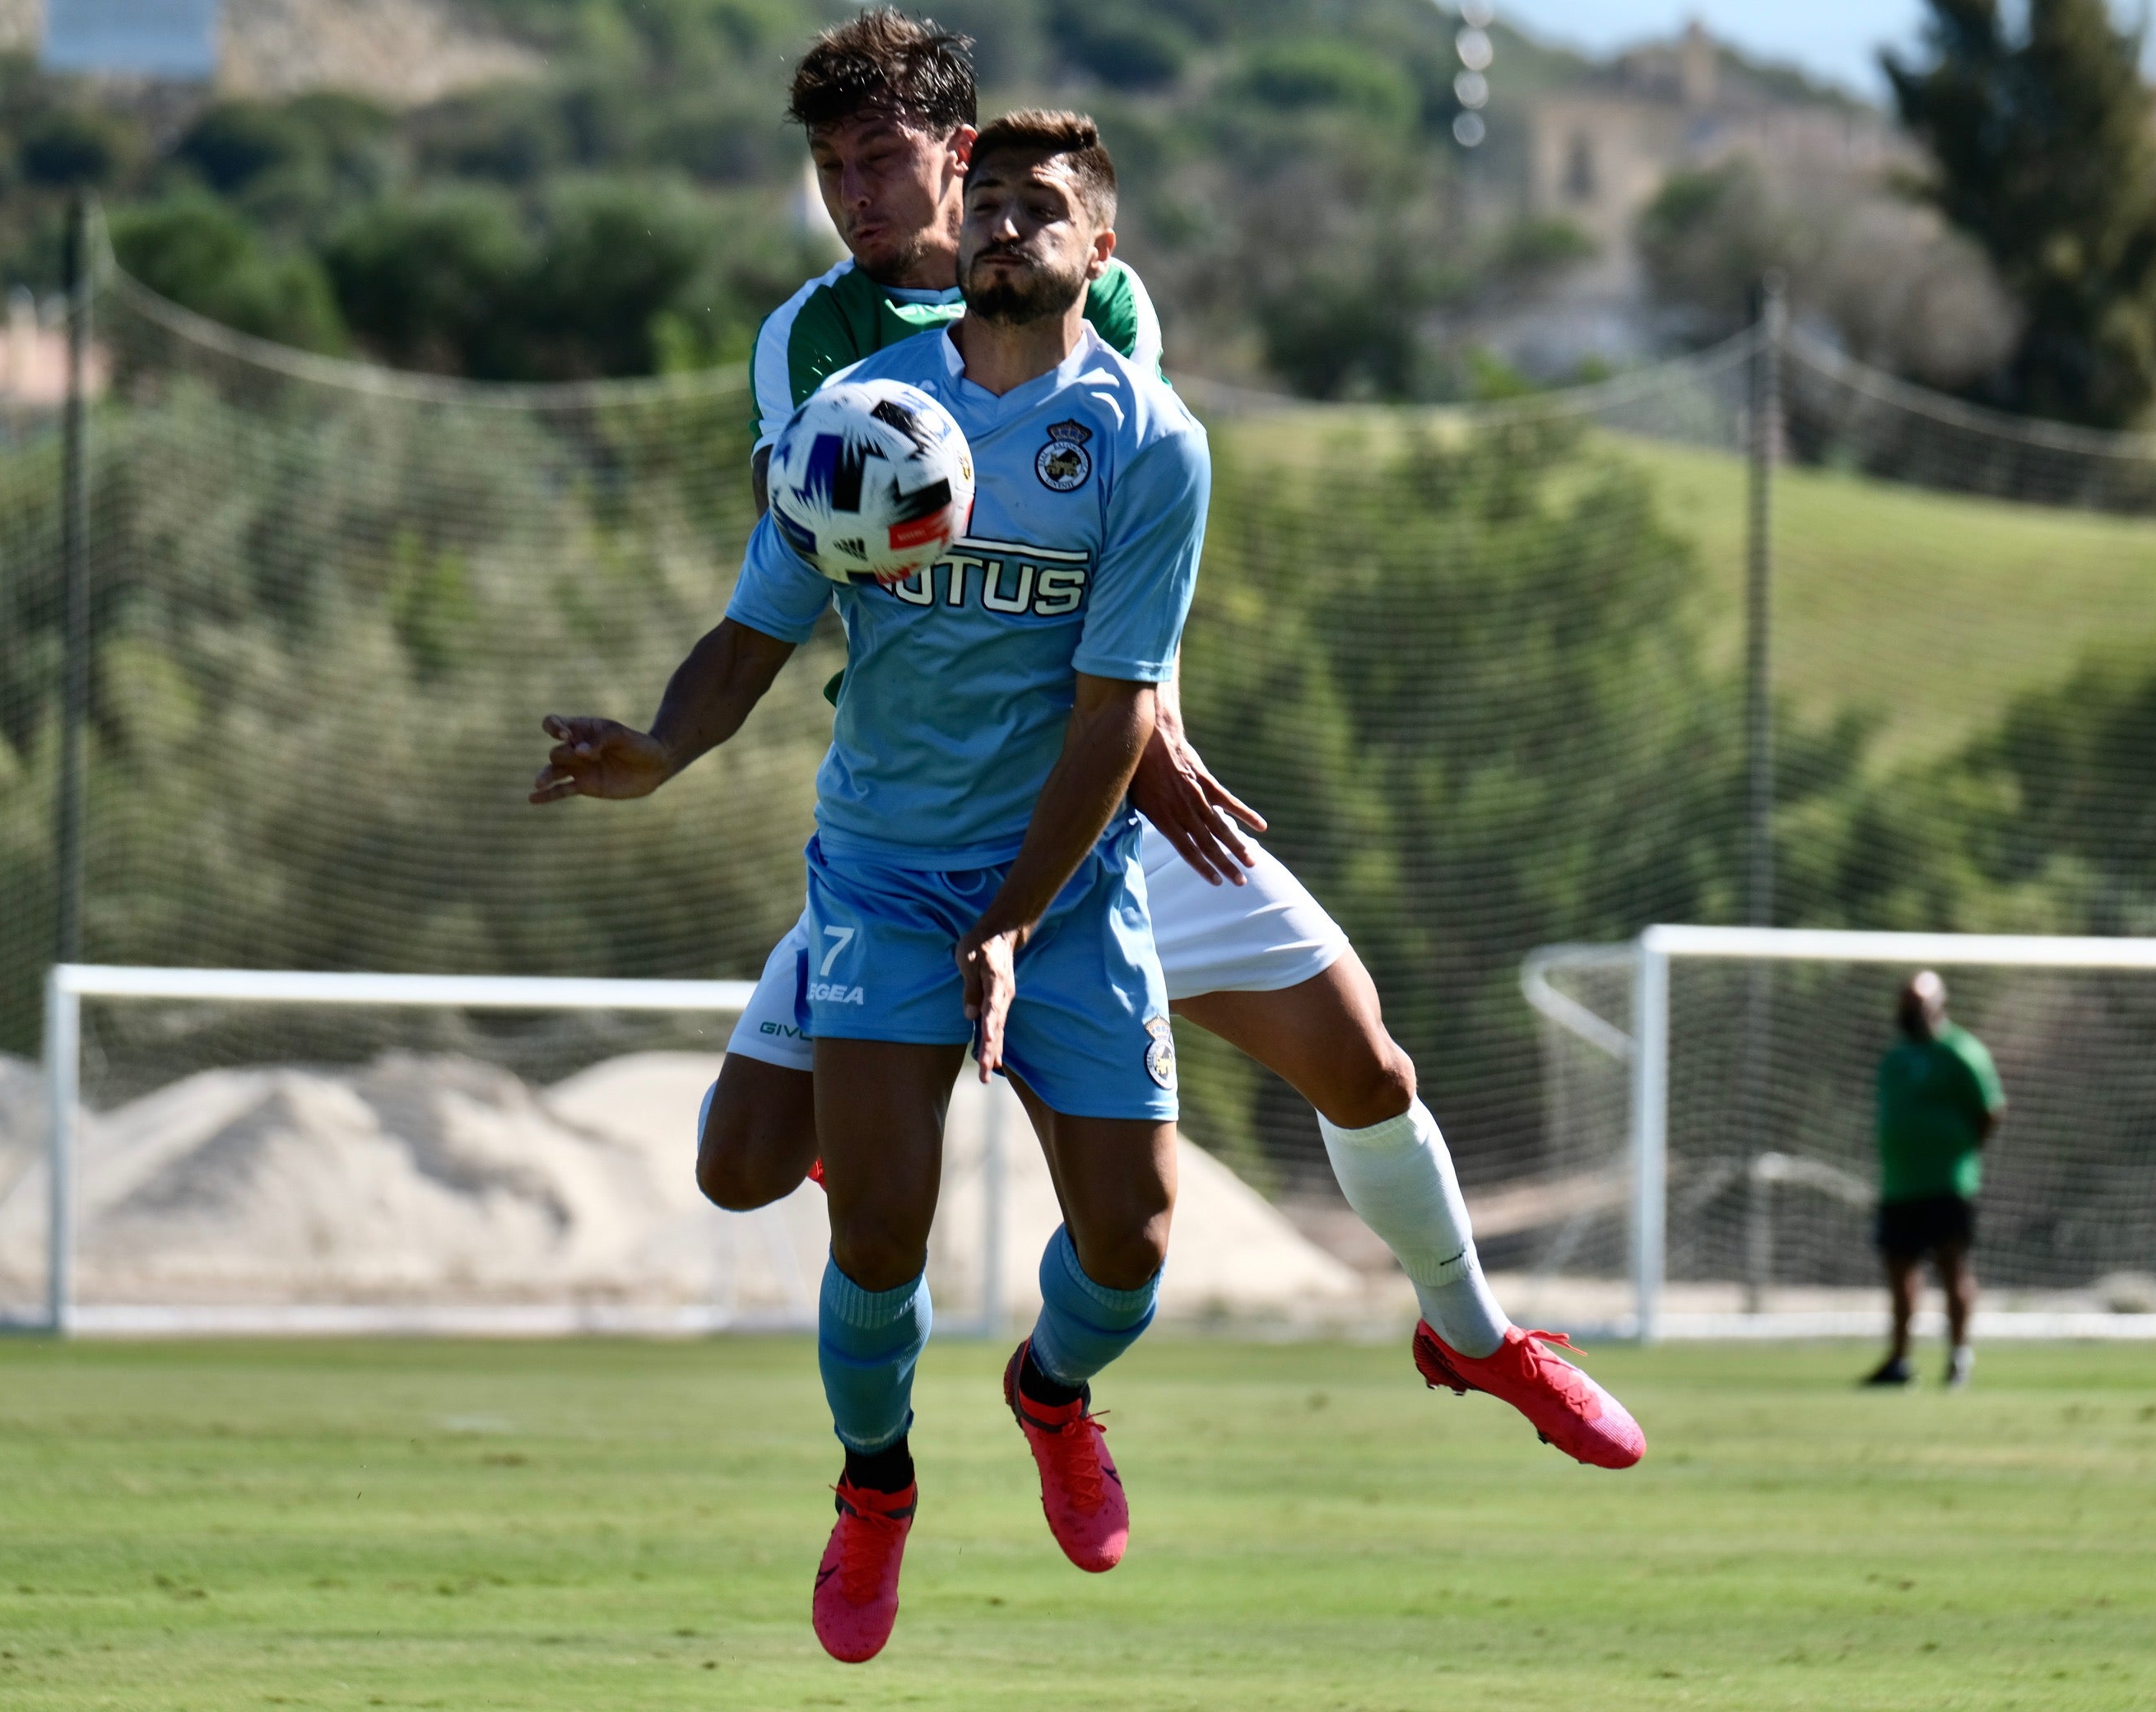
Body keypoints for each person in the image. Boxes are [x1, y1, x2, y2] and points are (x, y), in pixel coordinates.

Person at [702, 5, 1643, 1476]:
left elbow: (1134, 563)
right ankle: (871, 1124)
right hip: (924, 832)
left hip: (1111, 812)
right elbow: (822, 537)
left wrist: (1152, 730)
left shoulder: (1099, 306)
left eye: (881, 158)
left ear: (957, 155)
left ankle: (1471, 1333)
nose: (856, 195)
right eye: (831, 167)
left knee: (1367, 1064)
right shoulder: (813, 338)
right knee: (742, 1169)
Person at [534, 110, 1201, 1663]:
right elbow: (758, 623)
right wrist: (665, 745)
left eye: (1048, 213)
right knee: (880, 1230)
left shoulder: (1149, 443)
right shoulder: (865, 407)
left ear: (1101, 252)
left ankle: (1050, 1393)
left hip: (1069, 880)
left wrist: (1018, 923)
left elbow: (1117, 719)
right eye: (996, 208)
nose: (1007, 230)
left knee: (1137, 1243)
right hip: (887, 874)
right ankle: (875, 1488)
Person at [1863, 971, 2004, 1390]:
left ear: (1939, 1005)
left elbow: (1990, 1109)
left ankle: (1959, 1357)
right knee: (1899, 1270)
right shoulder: (1894, 1058)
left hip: (1947, 1182)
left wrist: (1958, 1150)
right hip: (1899, 1183)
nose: (1909, 1014)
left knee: (1951, 1267)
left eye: (1918, 1005)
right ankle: (1899, 1361)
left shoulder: (1962, 1052)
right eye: (1905, 1005)